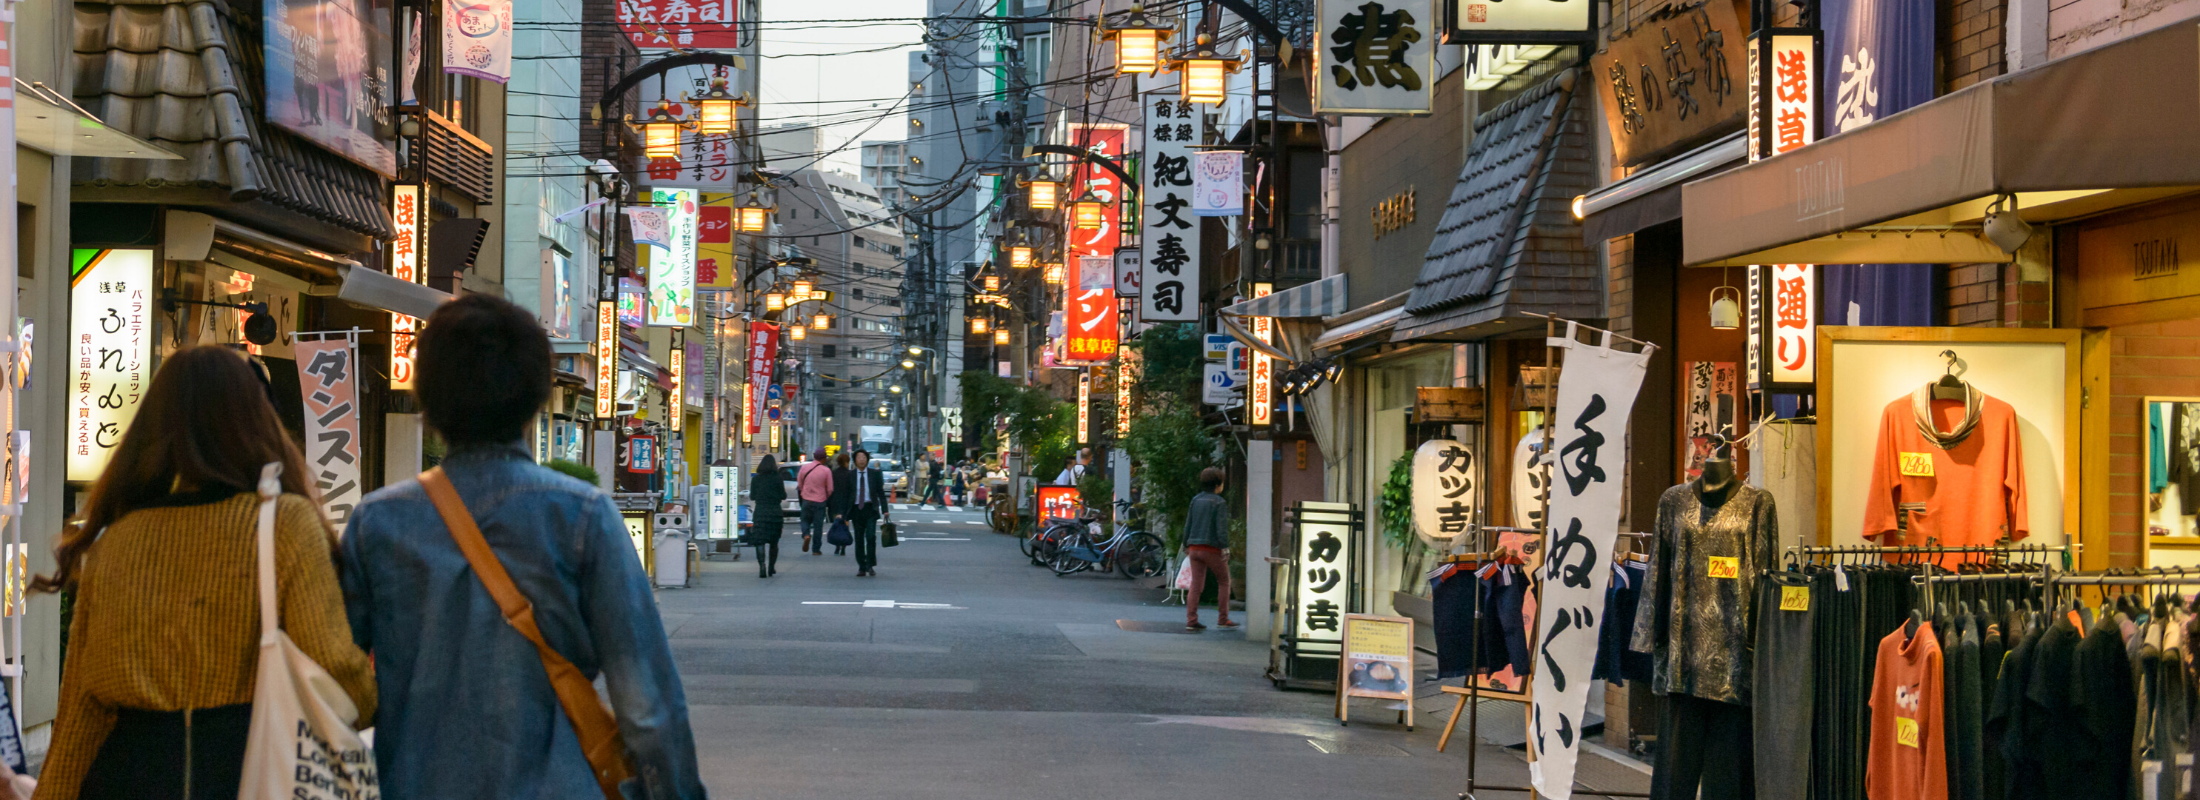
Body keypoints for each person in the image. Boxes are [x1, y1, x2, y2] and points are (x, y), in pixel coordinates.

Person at [338, 295, 705, 798]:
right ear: (535, 399)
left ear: (428, 397)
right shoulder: (584, 517)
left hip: (414, 780)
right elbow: (646, 701)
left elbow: (339, 679)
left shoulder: (377, 522)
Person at [32, 346, 376, 800]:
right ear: (255, 422)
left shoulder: (117, 541)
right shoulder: (283, 524)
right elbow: (332, 666)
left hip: (127, 774)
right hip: (249, 768)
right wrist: (374, 700)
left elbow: (81, 708)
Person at [1181, 467, 1238, 631]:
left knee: (1196, 585)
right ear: (1218, 484)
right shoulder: (1219, 502)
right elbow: (1221, 528)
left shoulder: (1195, 500)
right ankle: (1223, 619)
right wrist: (1225, 547)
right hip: (1212, 548)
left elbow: (1188, 524)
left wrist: (1186, 544)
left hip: (1194, 548)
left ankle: (1191, 620)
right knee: (1224, 581)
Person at [848, 450, 891, 577]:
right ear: (855, 460)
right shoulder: (850, 475)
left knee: (871, 537)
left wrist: (885, 510)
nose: (861, 459)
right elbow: (845, 494)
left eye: (863, 457)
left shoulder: (875, 474)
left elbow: (880, 493)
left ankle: (870, 564)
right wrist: (841, 513)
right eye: (858, 457)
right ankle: (861, 566)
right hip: (856, 510)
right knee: (859, 538)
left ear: (867, 460)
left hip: (870, 509)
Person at [749, 454, 786, 578]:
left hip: (760, 512)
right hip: (775, 513)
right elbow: (783, 495)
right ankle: (771, 567)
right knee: (774, 542)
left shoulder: (756, 479)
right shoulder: (778, 478)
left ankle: (762, 566)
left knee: (759, 540)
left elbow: (752, 496)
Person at [797, 447, 834, 554]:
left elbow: (799, 485)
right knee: (818, 525)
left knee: (804, 520)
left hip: (806, 499)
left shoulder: (804, 468)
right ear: (824, 458)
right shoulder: (826, 471)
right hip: (820, 500)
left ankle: (806, 534)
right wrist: (825, 496)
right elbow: (830, 489)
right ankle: (816, 549)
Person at [828, 452, 856, 556]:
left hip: (835, 501)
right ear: (846, 462)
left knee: (836, 524)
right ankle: (843, 545)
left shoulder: (833, 473)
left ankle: (837, 545)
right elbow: (852, 489)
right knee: (845, 524)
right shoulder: (850, 474)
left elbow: (830, 488)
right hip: (846, 502)